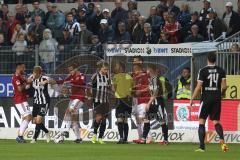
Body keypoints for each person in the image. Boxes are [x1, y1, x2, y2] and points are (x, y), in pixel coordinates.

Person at [191, 52, 229, 152]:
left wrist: (192, 98)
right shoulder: (221, 70)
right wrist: (223, 93)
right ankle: (223, 143)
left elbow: (199, 87)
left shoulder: (203, 70)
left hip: (206, 97)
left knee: (202, 120)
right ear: (215, 59)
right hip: (217, 97)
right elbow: (224, 86)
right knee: (216, 121)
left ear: (207, 59)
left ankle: (202, 147)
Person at [139, 64, 168, 145]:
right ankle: (144, 139)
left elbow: (155, 93)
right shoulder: (152, 80)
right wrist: (141, 91)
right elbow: (149, 88)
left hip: (158, 103)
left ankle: (166, 140)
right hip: (153, 103)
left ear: (151, 70)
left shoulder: (156, 80)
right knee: (146, 119)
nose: (147, 71)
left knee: (162, 121)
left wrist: (148, 103)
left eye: (148, 69)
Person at [57, 63, 86, 143]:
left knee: (69, 111)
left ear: (76, 69)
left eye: (71, 70)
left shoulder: (81, 75)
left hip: (79, 97)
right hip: (73, 98)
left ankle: (66, 131)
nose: (70, 72)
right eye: (69, 71)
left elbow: (82, 83)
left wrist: (71, 81)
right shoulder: (71, 77)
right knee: (72, 117)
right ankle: (79, 138)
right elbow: (64, 81)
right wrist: (55, 82)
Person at [29, 66, 52, 143]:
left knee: (39, 120)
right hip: (36, 102)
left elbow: (52, 80)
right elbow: (28, 81)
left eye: (35, 73)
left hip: (44, 102)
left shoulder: (44, 78)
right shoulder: (32, 77)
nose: (34, 74)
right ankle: (47, 131)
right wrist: (28, 82)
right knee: (35, 121)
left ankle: (34, 139)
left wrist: (45, 82)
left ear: (40, 73)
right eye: (33, 73)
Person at [112, 62, 133, 144]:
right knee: (125, 120)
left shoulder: (116, 76)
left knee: (120, 119)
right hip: (128, 100)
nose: (115, 68)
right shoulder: (129, 76)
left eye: (116, 66)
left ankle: (121, 138)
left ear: (120, 67)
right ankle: (125, 139)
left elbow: (114, 89)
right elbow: (132, 88)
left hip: (119, 99)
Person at [132, 56, 151, 143]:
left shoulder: (146, 74)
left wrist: (141, 91)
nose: (134, 63)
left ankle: (148, 138)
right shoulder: (133, 75)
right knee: (137, 119)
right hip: (135, 100)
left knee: (143, 119)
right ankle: (141, 137)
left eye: (136, 61)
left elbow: (150, 87)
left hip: (144, 99)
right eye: (133, 61)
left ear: (140, 62)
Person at [90, 61, 110, 144]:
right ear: (101, 68)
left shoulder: (107, 76)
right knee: (98, 118)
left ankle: (100, 138)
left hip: (105, 101)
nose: (106, 71)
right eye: (105, 69)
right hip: (97, 100)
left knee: (104, 119)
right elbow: (90, 87)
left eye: (107, 69)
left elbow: (108, 87)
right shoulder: (95, 76)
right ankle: (94, 135)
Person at [12, 63, 32, 143]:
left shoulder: (20, 76)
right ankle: (19, 136)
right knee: (28, 117)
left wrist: (29, 80)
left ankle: (20, 136)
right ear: (19, 67)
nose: (25, 69)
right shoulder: (16, 77)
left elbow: (26, 82)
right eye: (23, 67)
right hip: (20, 100)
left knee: (25, 118)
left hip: (22, 99)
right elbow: (20, 89)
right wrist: (26, 83)